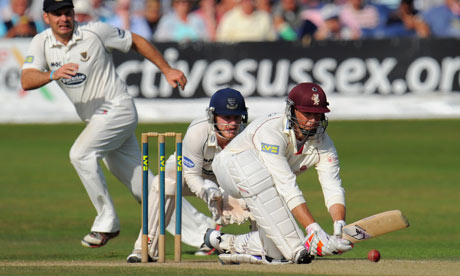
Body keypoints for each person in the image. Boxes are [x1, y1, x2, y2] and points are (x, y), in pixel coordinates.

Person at [21, 0, 187, 249]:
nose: (63, 18)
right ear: (46, 18)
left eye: (67, 13)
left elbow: (136, 41)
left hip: (118, 108)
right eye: (57, 14)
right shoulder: (41, 42)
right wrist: (51, 74)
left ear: (74, 13)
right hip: (97, 120)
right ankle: (204, 235)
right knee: (147, 189)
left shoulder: (95, 31)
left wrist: (167, 69)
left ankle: (107, 220)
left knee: (80, 154)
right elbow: (26, 79)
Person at [204, 82, 353, 264]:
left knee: (275, 250)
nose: (313, 120)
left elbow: (332, 185)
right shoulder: (270, 131)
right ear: (291, 110)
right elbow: (286, 184)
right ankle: (297, 249)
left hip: (266, 183)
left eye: (317, 114)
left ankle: (223, 240)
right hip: (230, 167)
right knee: (260, 176)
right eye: (307, 113)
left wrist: (339, 226)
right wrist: (313, 229)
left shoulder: (324, 142)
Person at [127, 87, 253, 262]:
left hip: (224, 179)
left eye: (236, 117)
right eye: (226, 117)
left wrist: (231, 197)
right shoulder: (198, 131)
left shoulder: (247, 137)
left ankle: (262, 247)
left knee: (257, 192)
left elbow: (245, 175)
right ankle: (145, 247)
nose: (232, 124)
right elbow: (192, 175)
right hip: (187, 172)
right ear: (213, 116)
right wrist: (208, 196)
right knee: (163, 182)